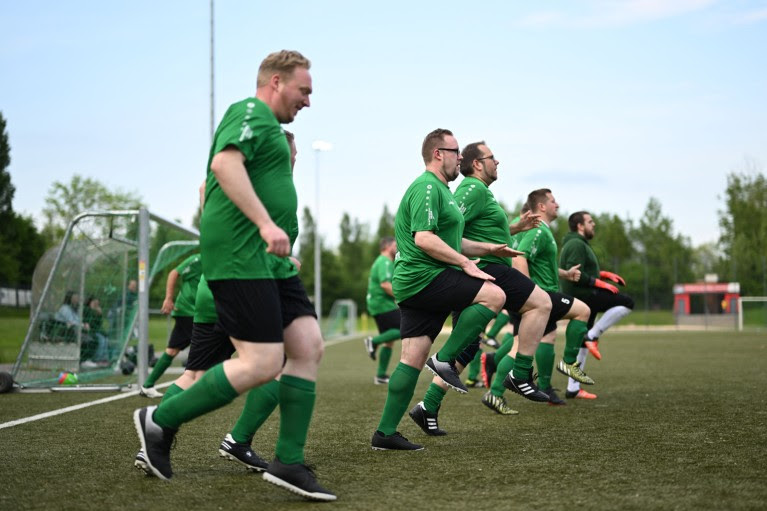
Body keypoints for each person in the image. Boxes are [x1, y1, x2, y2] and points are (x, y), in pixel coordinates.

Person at [132, 50, 335, 501]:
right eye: (304, 90)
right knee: (261, 364)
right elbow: (223, 166)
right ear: (276, 82)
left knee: (307, 348)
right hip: (242, 260)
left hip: (272, 264)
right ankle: (159, 421)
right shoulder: (250, 112)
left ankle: (288, 462)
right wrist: (264, 225)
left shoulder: (271, 131)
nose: (307, 101)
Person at [371, 129, 519, 451]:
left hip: (416, 282)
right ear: (438, 153)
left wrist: (490, 249)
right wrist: (466, 264)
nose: (461, 159)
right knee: (494, 295)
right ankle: (446, 360)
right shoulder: (427, 186)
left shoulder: (442, 190)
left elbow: (452, 239)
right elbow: (424, 238)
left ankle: (385, 433)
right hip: (424, 277)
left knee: (411, 359)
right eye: (456, 152)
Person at [406, 141, 554, 435]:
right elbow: (450, 225)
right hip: (485, 269)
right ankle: (520, 374)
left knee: (467, 347)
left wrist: (514, 229)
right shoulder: (471, 189)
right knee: (542, 303)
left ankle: (427, 407)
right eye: (492, 157)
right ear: (477, 164)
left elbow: (465, 228)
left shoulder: (481, 192)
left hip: (482, 268)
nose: (497, 162)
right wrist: (467, 259)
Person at [512, 188, 594, 404]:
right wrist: (529, 291)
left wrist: (565, 274)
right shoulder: (538, 230)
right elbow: (520, 257)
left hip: (543, 295)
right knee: (583, 310)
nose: (557, 204)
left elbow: (540, 263)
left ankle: (545, 388)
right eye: (553, 201)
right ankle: (569, 363)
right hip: (542, 295)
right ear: (541, 207)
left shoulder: (544, 230)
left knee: (542, 339)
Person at [559, 211, 634, 399]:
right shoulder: (576, 243)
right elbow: (575, 275)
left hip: (585, 296)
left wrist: (604, 275)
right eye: (590, 222)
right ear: (580, 226)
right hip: (584, 296)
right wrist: (599, 283)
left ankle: (573, 388)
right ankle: (592, 335)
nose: (594, 225)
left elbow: (585, 271)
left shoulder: (579, 243)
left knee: (581, 345)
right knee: (627, 303)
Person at [140, 252, 202, 398]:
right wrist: (168, 299)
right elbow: (174, 273)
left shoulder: (219, 261)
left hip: (192, 311)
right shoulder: (198, 259)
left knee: (172, 350)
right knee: (204, 348)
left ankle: (147, 385)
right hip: (188, 311)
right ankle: (193, 387)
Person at [363, 236, 402, 384]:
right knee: (404, 329)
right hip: (381, 304)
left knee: (390, 340)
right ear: (387, 246)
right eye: (395, 245)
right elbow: (385, 285)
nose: (397, 248)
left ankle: (380, 375)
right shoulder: (384, 261)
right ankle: (373, 341)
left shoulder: (384, 261)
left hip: (380, 304)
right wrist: (401, 297)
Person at [82, 296, 109, 365]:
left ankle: (104, 358)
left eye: (97, 304)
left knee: (106, 339)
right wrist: (92, 311)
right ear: (90, 302)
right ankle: (97, 359)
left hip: (96, 330)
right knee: (101, 340)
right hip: (89, 331)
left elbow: (99, 323)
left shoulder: (96, 312)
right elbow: (89, 322)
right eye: (94, 303)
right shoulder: (86, 309)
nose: (96, 305)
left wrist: (99, 315)